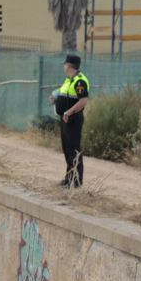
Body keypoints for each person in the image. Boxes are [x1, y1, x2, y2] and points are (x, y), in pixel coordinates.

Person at [55, 54, 90, 188]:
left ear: (69, 66)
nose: (64, 66)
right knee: (67, 149)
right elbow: (64, 95)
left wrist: (69, 112)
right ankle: (69, 179)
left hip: (73, 119)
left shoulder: (80, 81)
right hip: (65, 119)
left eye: (65, 64)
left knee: (74, 150)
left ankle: (76, 182)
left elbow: (83, 101)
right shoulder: (69, 80)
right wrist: (55, 99)